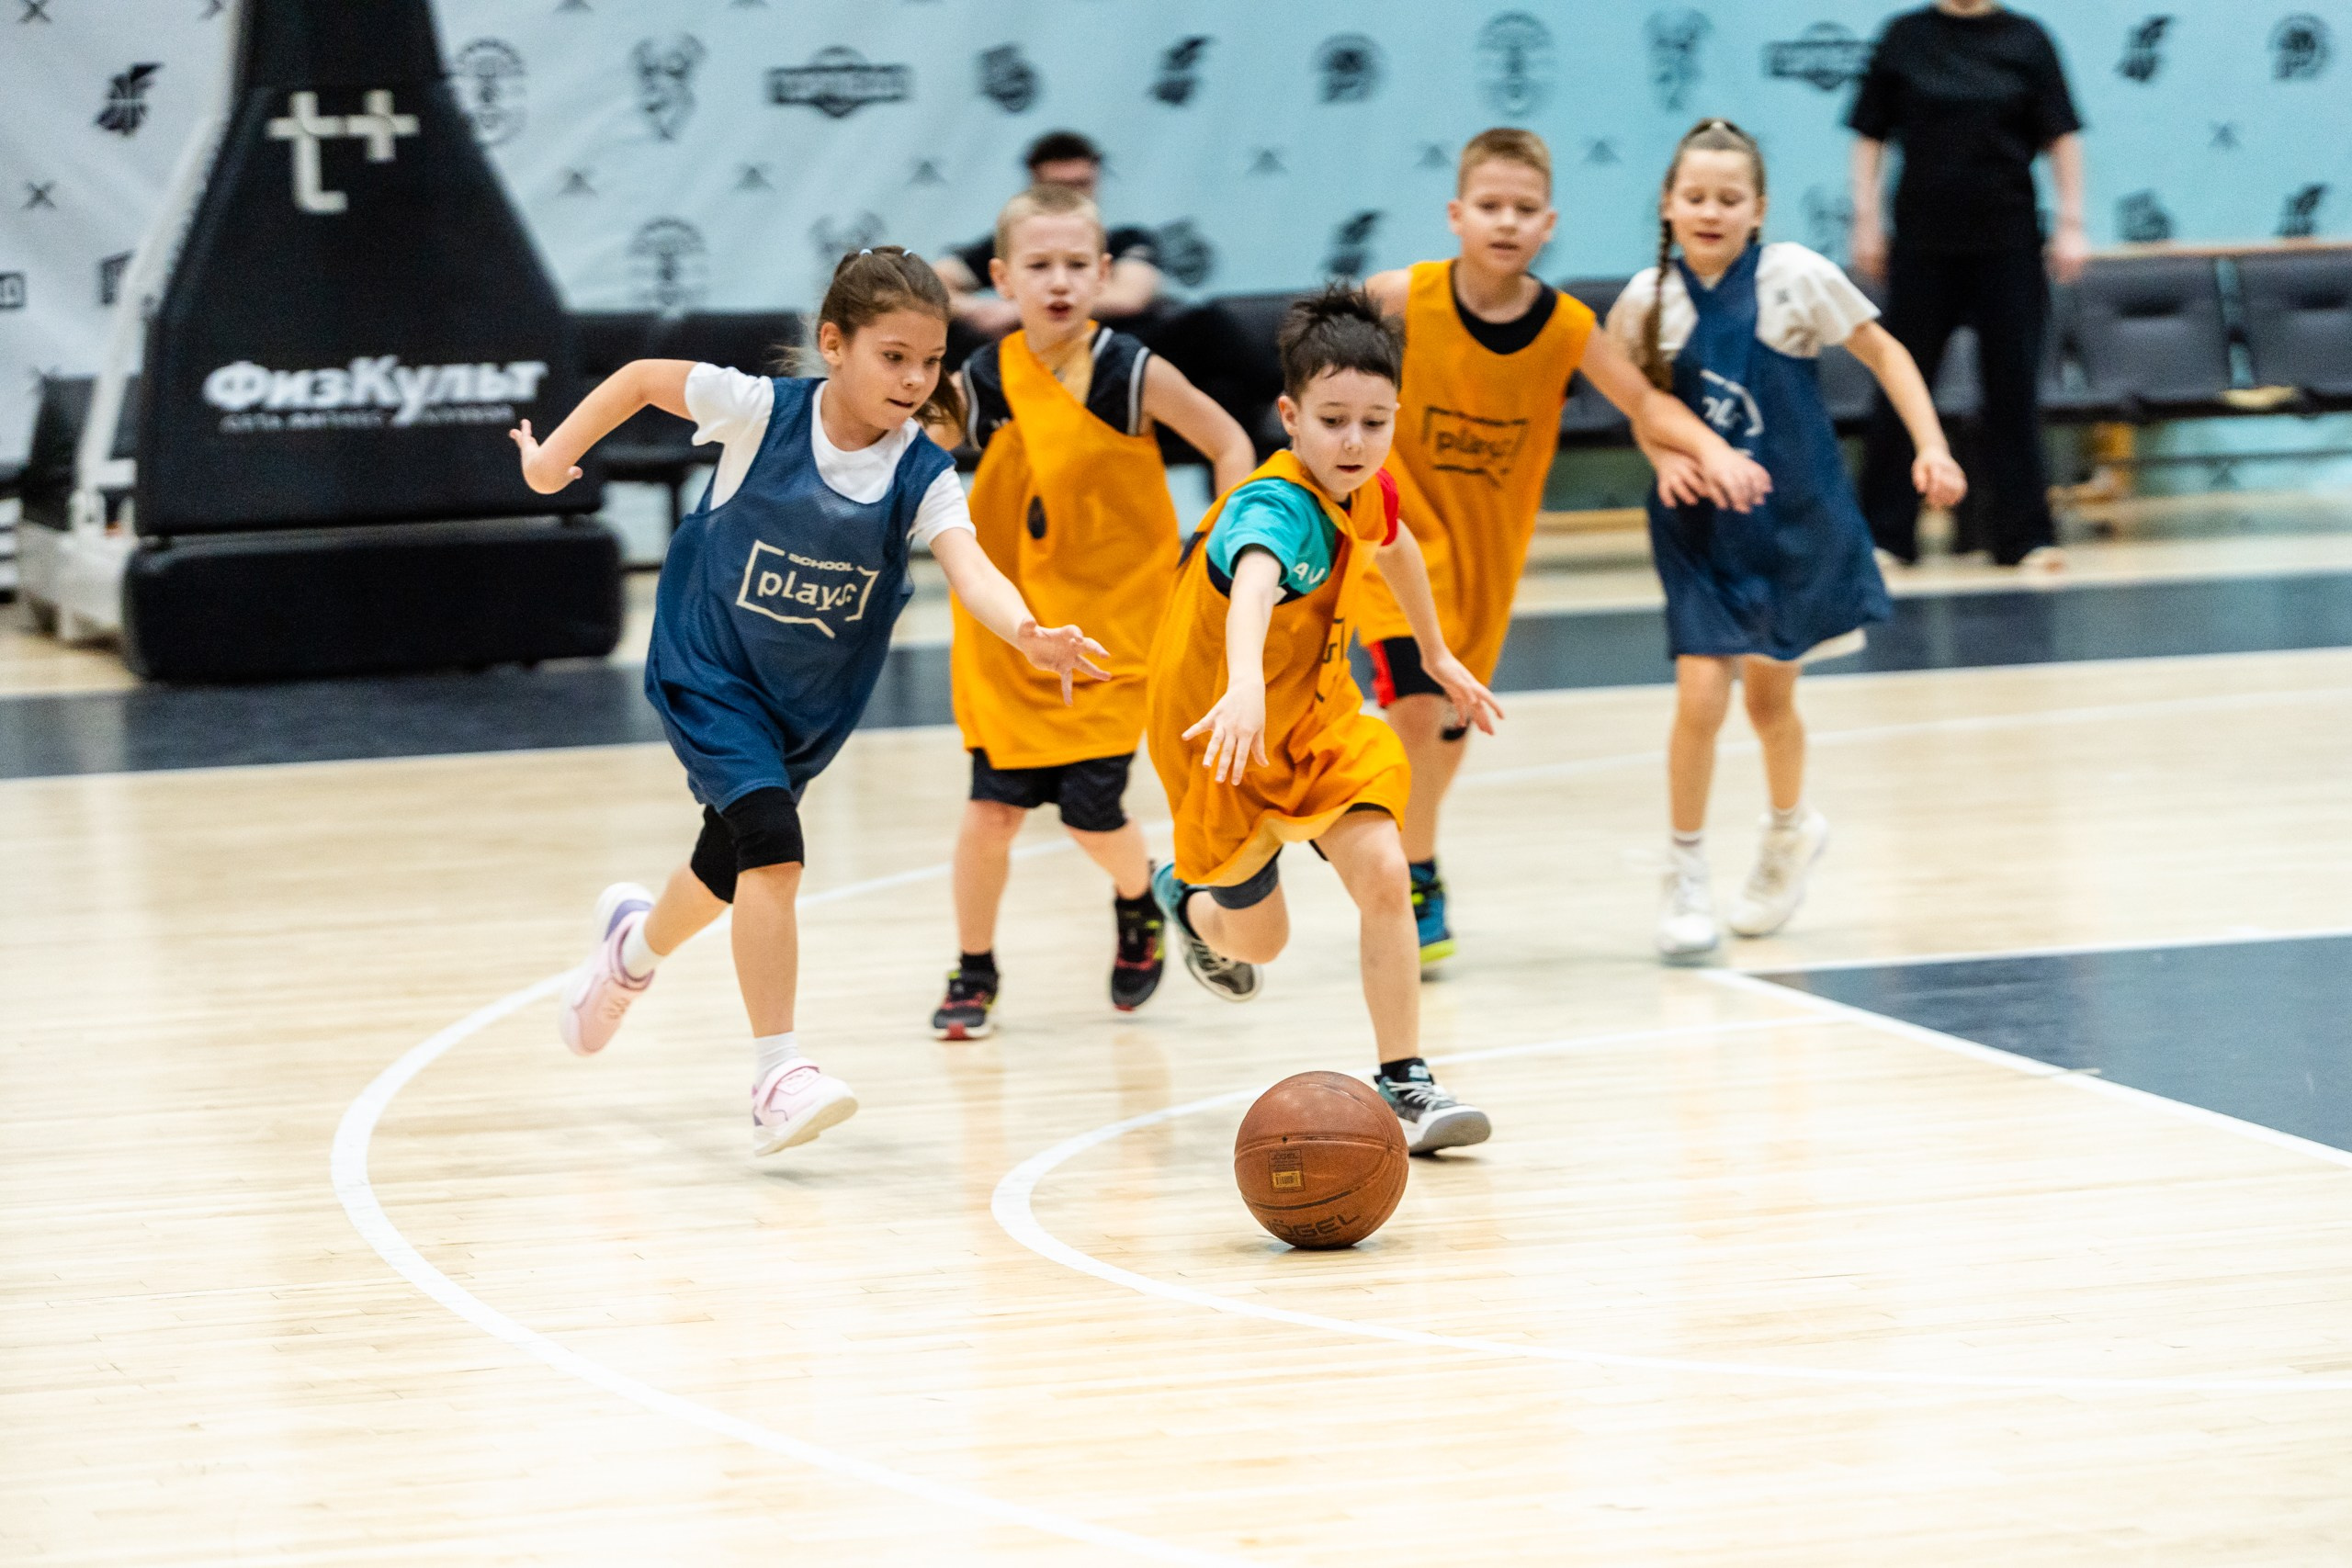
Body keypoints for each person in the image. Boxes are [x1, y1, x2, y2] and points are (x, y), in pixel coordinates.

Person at [510, 249, 1107, 1156]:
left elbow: (972, 568)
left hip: (807, 707)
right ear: (835, 344)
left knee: (730, 864)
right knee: (775, 853)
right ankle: (777, 1075)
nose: (914, 380)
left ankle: (630, 954)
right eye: (892, 356)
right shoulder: (758, 413)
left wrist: (1027, 630)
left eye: (930, 361)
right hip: (708, 669)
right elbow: (636, 380)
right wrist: (553, 461)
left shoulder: (922, 475)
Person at [1358, 128, 1776, 965]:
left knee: (1444, 724)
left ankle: (1414, 852)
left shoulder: (1565, 326)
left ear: (1547, 224)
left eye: (1522, 210)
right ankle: (1410, 875)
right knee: (1411, 702)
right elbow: (1312, 364)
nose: (1504, 223)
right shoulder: (1396, 298)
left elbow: (1644, 403)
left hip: (1487, 556)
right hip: (1390, 534)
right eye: (1488, 207)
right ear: (1455, 214)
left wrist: (1712, 448)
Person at [1143, 286, 1508, 1154]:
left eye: (1374, 423)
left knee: (1385, 870)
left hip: (1313, 716)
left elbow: (1399, 541)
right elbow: (1256, 586)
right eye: (1333, 419)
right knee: (1259, 943)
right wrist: (1239, 687)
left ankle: (1405, 1080)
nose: (1354, 441)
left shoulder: (1365, 487)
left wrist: (1438, 653)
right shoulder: (1275, 507)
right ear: (1289, 416)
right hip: (1219, 734)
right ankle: (1182, 901)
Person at [1613, 119, 1966, 962]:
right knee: (1701, 691)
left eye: (1729, 198)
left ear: (1758, 209)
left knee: (1771, 702)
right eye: (1695, 196)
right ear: (1667, 203)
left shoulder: (1796, 277)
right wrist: (1664, 456)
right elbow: (1641, 409)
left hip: (1791, 523)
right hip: (1698, 527)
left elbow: (1886, 354)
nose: (1710, 210)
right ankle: (1686, 872)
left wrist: (1932, 444)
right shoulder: (1643, 301)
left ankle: (1786, 831)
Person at [930, 183, 1255, 1040]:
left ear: (1105, 272)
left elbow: (1229, 442)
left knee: (1090, 813)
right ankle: (974, 966)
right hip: (1015, 634)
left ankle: (1139, 894)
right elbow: (910, 461)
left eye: (1078, 264)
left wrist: (1226, 546)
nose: (1060, 280)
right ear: (1003, 278)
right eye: (1040, 265)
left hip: (1113, 634)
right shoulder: (981, 377)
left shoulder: (1130, 368)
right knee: (988, 813)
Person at [1847, 0, 2085, 571]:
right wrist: (1866, 218)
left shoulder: (2028, 38)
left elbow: (2062, 136)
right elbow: (1869, 134)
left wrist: (2073, 222)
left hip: (2008, 242)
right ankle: (1885, 536)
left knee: (2013, 392)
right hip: (1922, 243)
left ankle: (2024, 537)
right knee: (1901, 386)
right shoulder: (1904, 35)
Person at [935, 130, 1163, 343]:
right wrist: (977, 309)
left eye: (1082, 184)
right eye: (1058, 186)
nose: (1073, 195)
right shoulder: (1007, 243)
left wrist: (1022, 311)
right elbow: (927, 286)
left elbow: (1129, 297)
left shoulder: (1126, 241)